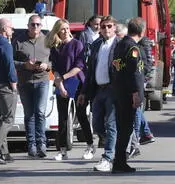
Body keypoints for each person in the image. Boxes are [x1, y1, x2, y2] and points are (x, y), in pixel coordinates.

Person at [46, 19, 92, 161]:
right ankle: (62, 150)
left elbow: (79, 66)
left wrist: (63, 78)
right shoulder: (55, 47)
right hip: (62, 83)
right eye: (62, 29)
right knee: (63, 118)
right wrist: (59, 84)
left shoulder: (77, 44)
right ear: (57, 31)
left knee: (81, 114)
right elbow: (54, 68)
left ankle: (90, 146)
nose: (65, 31)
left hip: (77, 82)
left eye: (67, 28)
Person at [78, 16, 119, 172]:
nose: (106, 29)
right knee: (97, 125)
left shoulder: (119, 45)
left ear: (114, 27)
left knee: (110, 123)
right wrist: (84, 92)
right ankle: (116, 145)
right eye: (103, 27)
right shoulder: (96, 45)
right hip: (98, 89)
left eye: (109, 26)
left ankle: (108, 157)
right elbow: (89, 71)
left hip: (113, 90)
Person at [111, 17, 146, 174]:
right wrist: (135, 93)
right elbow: (134, 73)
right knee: (125, 129)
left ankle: (119, 161)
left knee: (122, 128)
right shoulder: (132, 48)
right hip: (127, 94)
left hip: (119, 91)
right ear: (141, 31)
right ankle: (119, 162)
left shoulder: (119, 45)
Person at [13, 14, 51, 158]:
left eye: (38, 24)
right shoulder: (19, 41)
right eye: (32, 24)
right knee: (29, 114)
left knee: (40, 112)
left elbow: (55, 61)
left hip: (42, 80)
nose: (35, 27)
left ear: (41, 26)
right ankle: (31, 145)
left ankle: (42, 143)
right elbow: (11, 61)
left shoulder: (47, 40)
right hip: (25, 82)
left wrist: (47, 66)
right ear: (28, 26)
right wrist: (25, 65)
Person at [0, 18, 17, 164]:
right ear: (3, 29)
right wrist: (13, 83)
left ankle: (5, 152)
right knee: (8, 119)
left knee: (0, 119)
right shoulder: (5, 44)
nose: (12, 30)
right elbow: (10, 65)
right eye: (10, 28)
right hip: (4, 87)